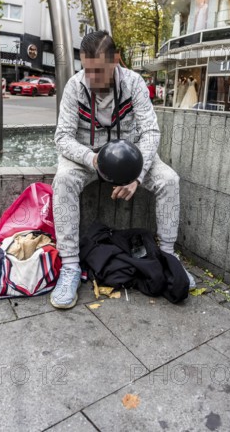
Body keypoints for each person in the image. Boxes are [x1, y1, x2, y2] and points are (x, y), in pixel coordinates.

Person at [50, 30, 195, 309]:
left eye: (98, 71)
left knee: (169, 180)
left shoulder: (134, 83)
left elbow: (151, 133)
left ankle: (168, 258)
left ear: (115, 60)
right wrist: (91, 159)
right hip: (88, 156)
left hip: (131, 156)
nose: (91, 78)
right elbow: (62, 138)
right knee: (64, 179)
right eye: (86, 69)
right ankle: (69, 266)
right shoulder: (73, 86)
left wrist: (137, 175)